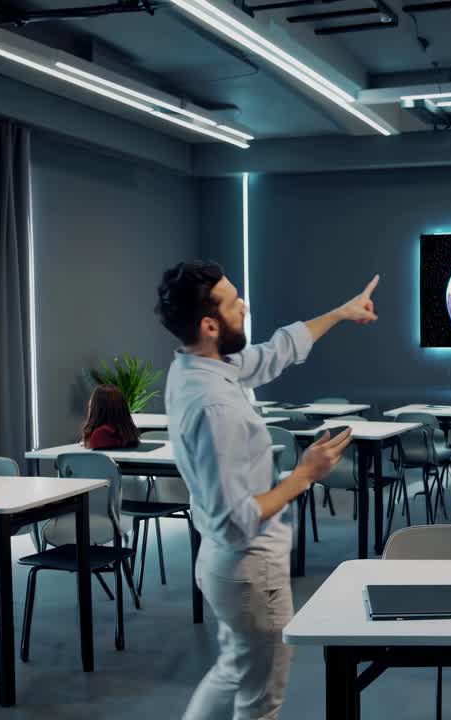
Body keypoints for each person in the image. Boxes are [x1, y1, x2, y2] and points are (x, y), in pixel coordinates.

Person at [156, 260, 379, 720]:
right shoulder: (216, 405)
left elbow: (278, 350)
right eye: (235, 301)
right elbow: (236, 519)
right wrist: (304, 474)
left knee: (233, 671)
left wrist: (339, 313)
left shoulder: (198, 366)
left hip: (223, 564)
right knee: (261, 701)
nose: (246, 305)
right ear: (210, 324)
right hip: (249, 568)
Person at [81, 384, 142, 450]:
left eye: (92, 400)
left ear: (98, 407)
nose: (89, 402)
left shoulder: (101, 434)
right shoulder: (127, 432)